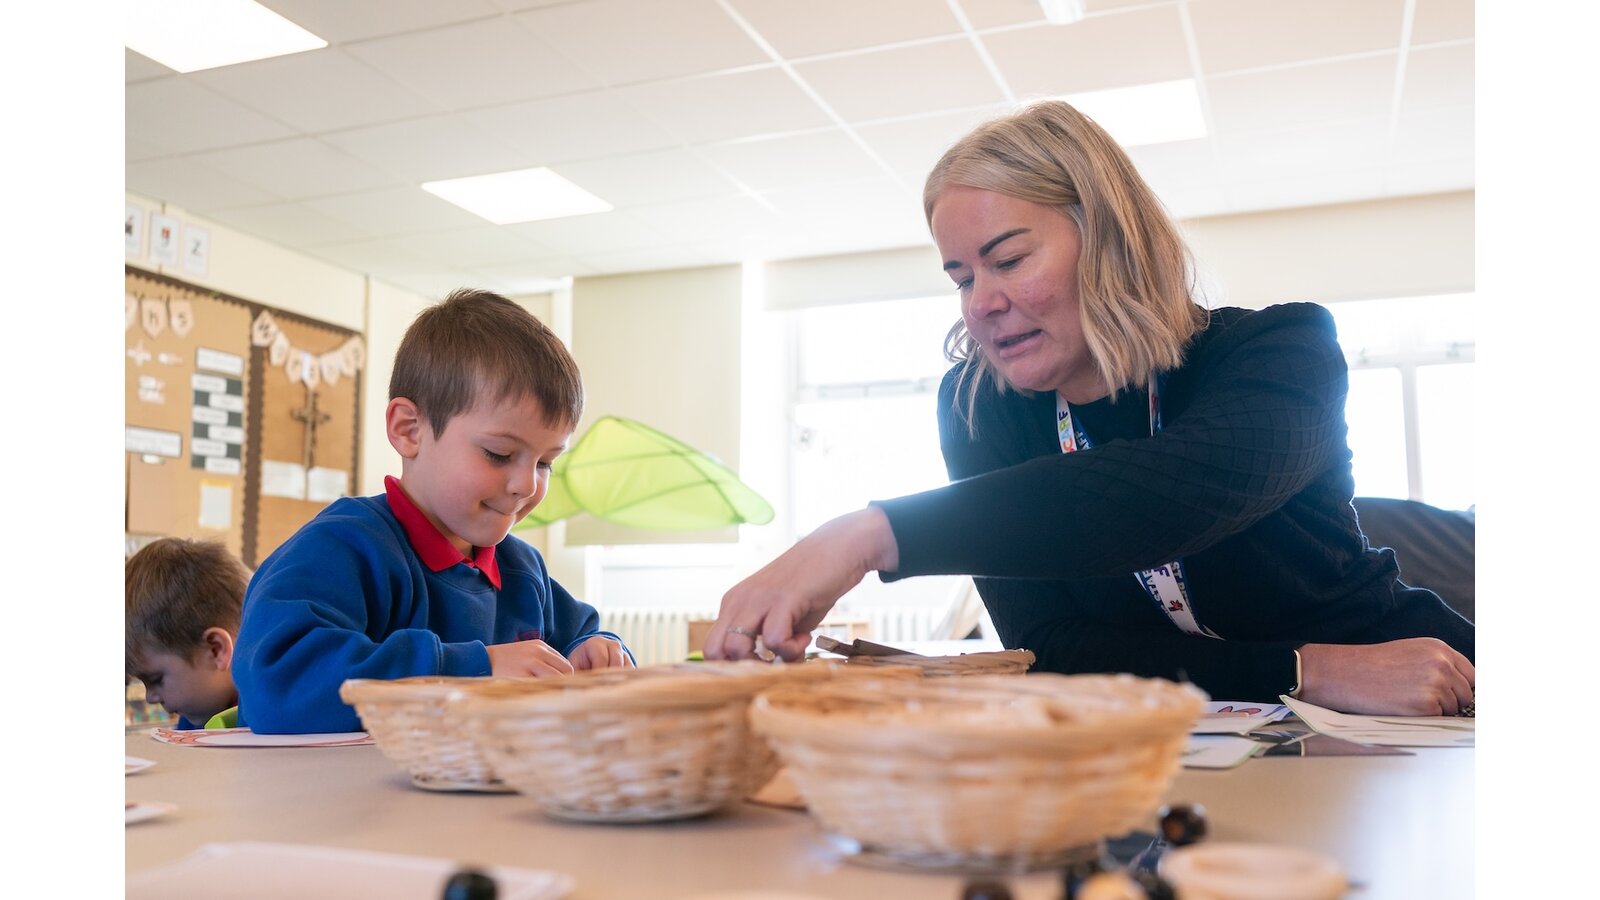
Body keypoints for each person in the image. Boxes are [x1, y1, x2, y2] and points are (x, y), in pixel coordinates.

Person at [707, 101, 1474, 716]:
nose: (982, 303)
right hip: (1204, 730)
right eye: (962, 277)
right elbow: (1053, 648)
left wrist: (869, 534)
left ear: (1107, 240)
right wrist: (1303, 671)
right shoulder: (980, 409)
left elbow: (1173, 496)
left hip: (1419, 688)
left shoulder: (1278, 349)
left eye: (1009, 260)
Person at [234, 289, 633, 734]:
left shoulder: (522, 570)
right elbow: (277, 685)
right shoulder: (343, 547)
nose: (526, 485)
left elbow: (583, 636)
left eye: (545, 463)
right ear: (409, 430)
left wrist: (599, 652)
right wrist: (473, 671)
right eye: (500, 454)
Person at [126, 538, 249, 729]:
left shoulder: (268, 719)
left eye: (156, 680)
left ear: (216, 649)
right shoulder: (194, 717)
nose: (150, 698)